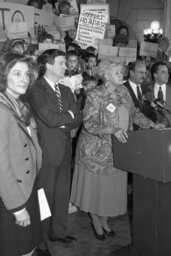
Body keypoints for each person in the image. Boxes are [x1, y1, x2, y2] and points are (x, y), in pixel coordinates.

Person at [70, 60, 164, 241]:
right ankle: (96, 222)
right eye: (117, 73)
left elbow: (135, 113)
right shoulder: (95, 95)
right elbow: (89, 123)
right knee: (96, 192)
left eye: (122, 73)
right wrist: (112, 129)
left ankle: (104, 220)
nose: (122, 76)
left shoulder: (123, 91)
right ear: (106, 76)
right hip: (95, 152)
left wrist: (152, 124)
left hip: (120, 149)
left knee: (111, 191)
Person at [27, 49, 82, 251]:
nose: (65, 66)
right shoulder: (36, 90)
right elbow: (49, 119)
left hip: (65, 148)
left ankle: (58, 232)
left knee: (61, 194)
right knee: (45, 196)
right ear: (48, 65)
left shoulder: (66, 90)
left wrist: (63, 121)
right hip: (46, 151)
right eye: (61, 63)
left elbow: (78, 117)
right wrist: (66, 117)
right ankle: (40, 241)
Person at [0, 52, 42, 256]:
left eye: (26, 74)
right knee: (19, 248)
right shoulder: (1, 111)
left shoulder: (17, 104)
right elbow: (1, 165)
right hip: (13, 195)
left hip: (27, 185)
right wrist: (17, 208)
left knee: (28, 245)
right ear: (3, 76)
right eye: (16, 73)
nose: (24, 79)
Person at [145, 61, 171, 126]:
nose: (167, 75)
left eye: (167, 72)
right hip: (151, 131)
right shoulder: (146, 91)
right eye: (163, 72)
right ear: (155, 75)